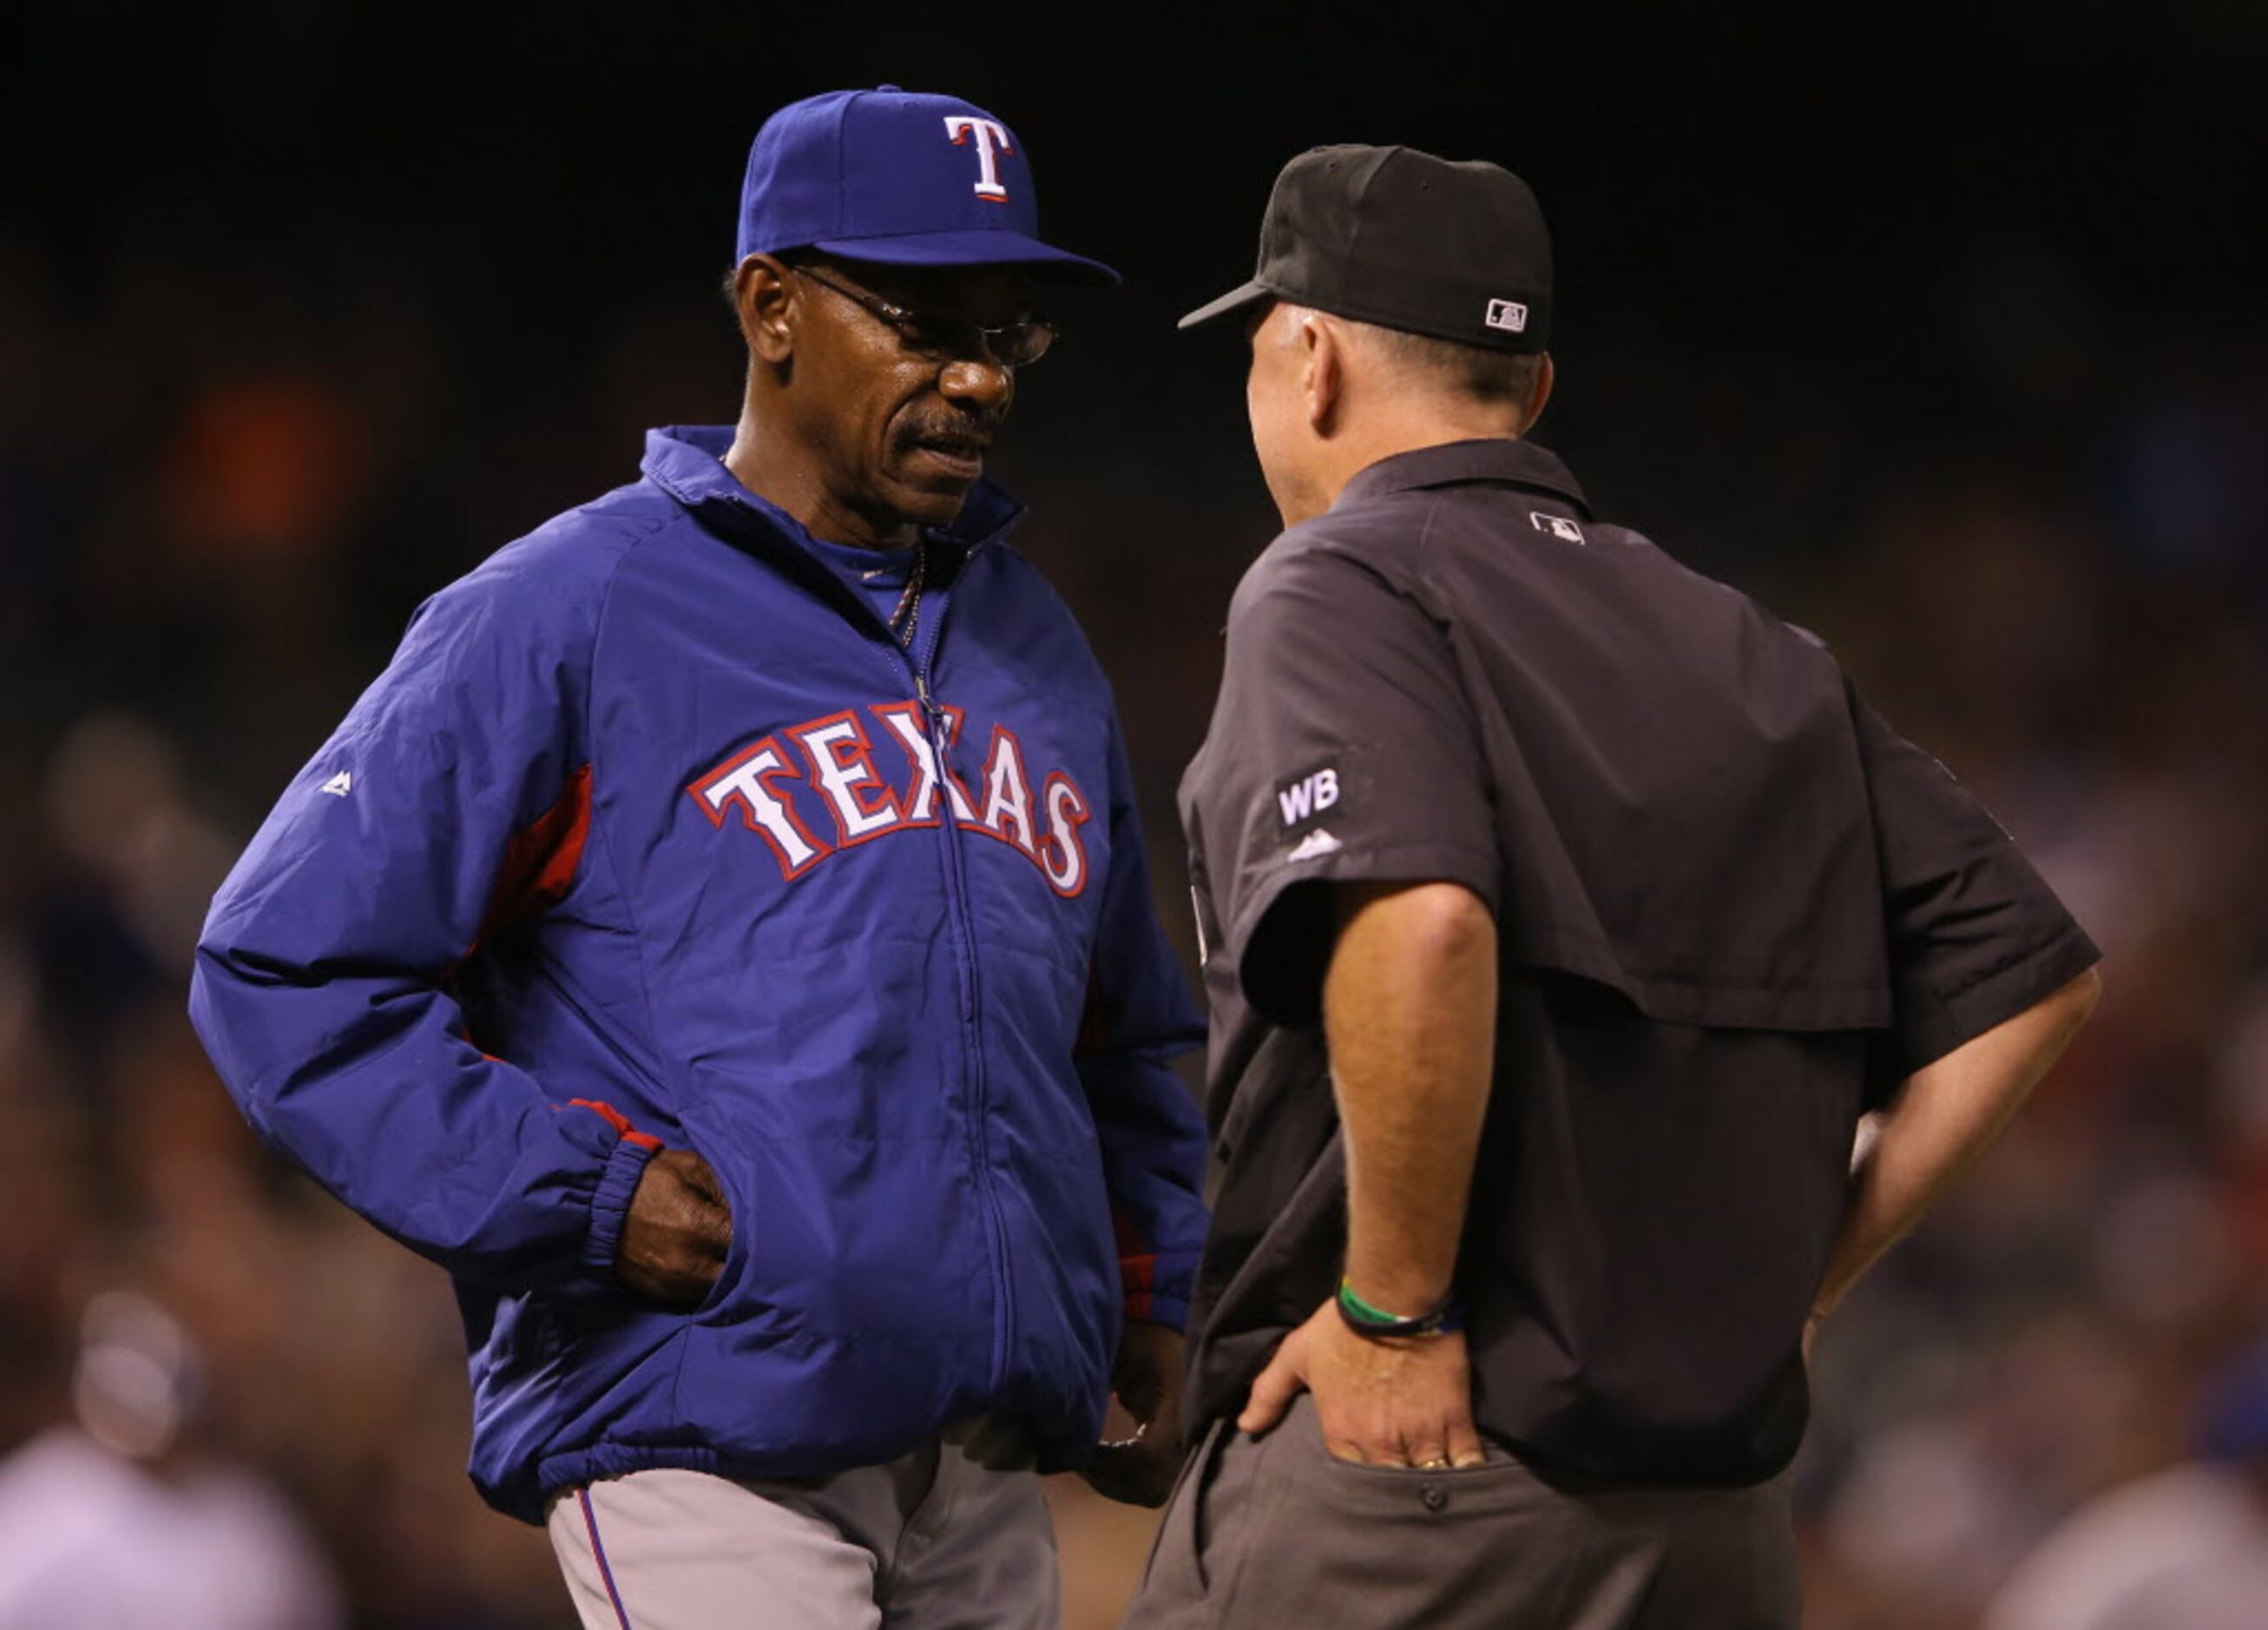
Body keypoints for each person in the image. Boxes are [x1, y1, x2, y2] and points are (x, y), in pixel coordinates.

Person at [188, 86, 1208, 1630]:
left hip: (987, 1454)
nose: (977, 375)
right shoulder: (571, 606)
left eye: (1007, 330)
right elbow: (281, 968)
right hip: (701, 1431)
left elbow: (1123, 1030)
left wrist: (1154, 1289)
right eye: (923, 317)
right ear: (771, 305)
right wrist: (586, 1194)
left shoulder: (1032, 640)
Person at [1125, 144, 2102, 1629]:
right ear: (1532, 390)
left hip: (1412, 1485)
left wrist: (1391, 1309)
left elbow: (1424, 920)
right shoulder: (1741, 639)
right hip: (1708, 1520)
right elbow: (2032, 981)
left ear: (1308, 359)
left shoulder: (1337, 581)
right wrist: (1802, 1286)